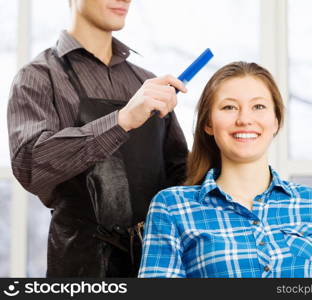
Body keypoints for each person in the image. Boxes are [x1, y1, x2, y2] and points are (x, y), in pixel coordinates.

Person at [138, 61, 312, 278]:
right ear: (209, 124)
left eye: (258, 106)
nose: (244, 119)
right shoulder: (172, 207)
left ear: (276, 121)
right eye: (229, 107)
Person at [7, 0, 188, 277]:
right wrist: (121, 121)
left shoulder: (146, 82)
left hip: (155, 265)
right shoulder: (39, 77)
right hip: (81, 268)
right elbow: (31, 164)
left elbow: (181, 175)